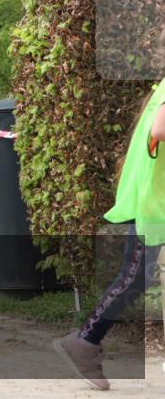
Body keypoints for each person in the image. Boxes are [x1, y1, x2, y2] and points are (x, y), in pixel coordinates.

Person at [54, 75, 165, 391]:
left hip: (156, 203)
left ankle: (85, 341)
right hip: (154, 205)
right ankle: (85, 341)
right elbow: (160, 129)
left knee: (136, 278)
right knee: (134, 278)